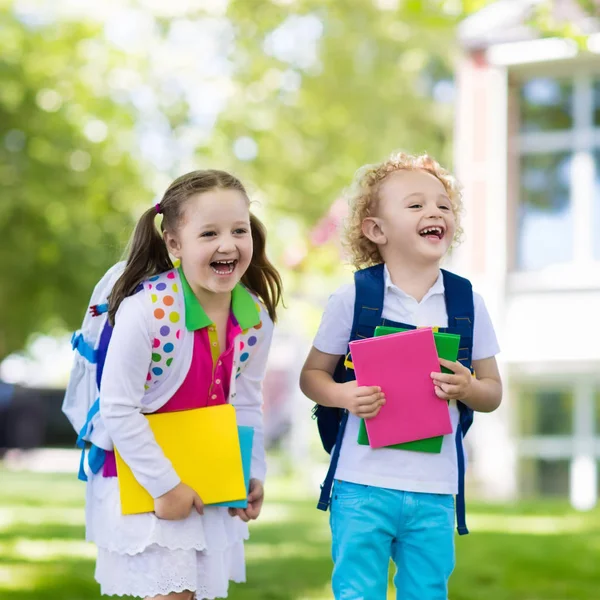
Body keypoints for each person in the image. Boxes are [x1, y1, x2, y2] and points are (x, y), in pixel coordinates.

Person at [300, 152, 502, 600]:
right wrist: (344, 394)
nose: (434, 212)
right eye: (415, 205)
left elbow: (492, 393)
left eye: (443, 206)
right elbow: (312, 375)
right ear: (376, 230)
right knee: (357, 591)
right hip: (361, 486)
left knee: (427, 591)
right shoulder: (353, 297)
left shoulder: (468, 303)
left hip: (434, 491)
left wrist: (468, 387)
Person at [78, 169, 282, 599]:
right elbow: (118, 408)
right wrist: (165, 487)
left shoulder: (255, 317)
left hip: (209, 485)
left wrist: (250, 473)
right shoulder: (147, 311)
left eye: (238, 231)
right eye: (209, 233)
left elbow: (245, 403)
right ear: (174, 244)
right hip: (145, 482)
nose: (227, 244)